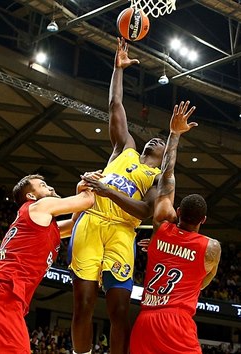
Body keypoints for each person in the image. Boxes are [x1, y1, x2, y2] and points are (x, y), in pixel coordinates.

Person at [69, 37, 169, 354]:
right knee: (83, 302)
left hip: (122, 233)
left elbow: (145, 212)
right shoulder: (125, 148)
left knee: (120, 310)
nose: (155, 137)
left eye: (162, 140)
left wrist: (108, 190)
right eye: (154, 136)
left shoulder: (158, 178)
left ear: (166, 155)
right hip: (92, 222)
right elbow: (115, 105)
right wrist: (118, 70)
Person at [128, 102, 222, 354]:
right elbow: (206, 277)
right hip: (176, 321)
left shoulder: (161, 226)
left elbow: (167, 173)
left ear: (178, 212)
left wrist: (175, 134)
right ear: (203, 220)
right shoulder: (211, 247)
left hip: (145, 319)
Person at [0, 174, 95, 354]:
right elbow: (88, 200)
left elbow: (76, 223)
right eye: (43, 185)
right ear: (31, 196)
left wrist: (81, 192)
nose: (51, 188)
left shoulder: (41, 221)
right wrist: (91, 184)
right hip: (2, 295)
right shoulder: (39, 207)